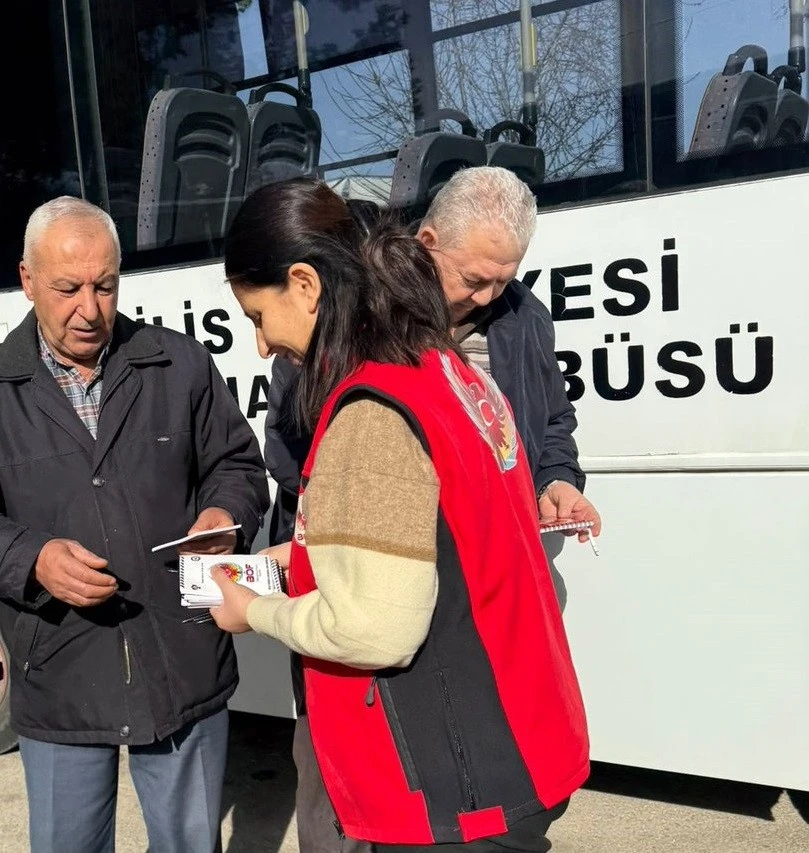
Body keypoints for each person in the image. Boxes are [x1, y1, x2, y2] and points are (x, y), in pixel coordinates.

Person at [212, 178, 589, 851]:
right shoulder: (446, 372)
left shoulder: (372, 410)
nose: (262, 346)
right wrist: (295, 558)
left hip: (450, 782)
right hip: (511, 747)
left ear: (303, 284)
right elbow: (435, 538)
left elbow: (373, 632)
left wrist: (253, 613)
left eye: (255, 315)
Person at [0, 196, 269, 853]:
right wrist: (29, 558)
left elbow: (237, 465)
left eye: (104, 286)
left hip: (181, 660)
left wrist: (226, 512)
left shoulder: (179, 363)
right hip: (59, 672)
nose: (89, 308)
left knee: (191, 843)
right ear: (26, 280)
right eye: (67, 287)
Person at [266, 166, 600, 556]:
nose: (487, 297)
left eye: (504, 280)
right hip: (380, 561)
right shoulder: (349, 309)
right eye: (474, 280)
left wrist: (554, 481)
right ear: (427, 242)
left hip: (494, 560)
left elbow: (553, 419)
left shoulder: (525, 316)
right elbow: (288, 446)